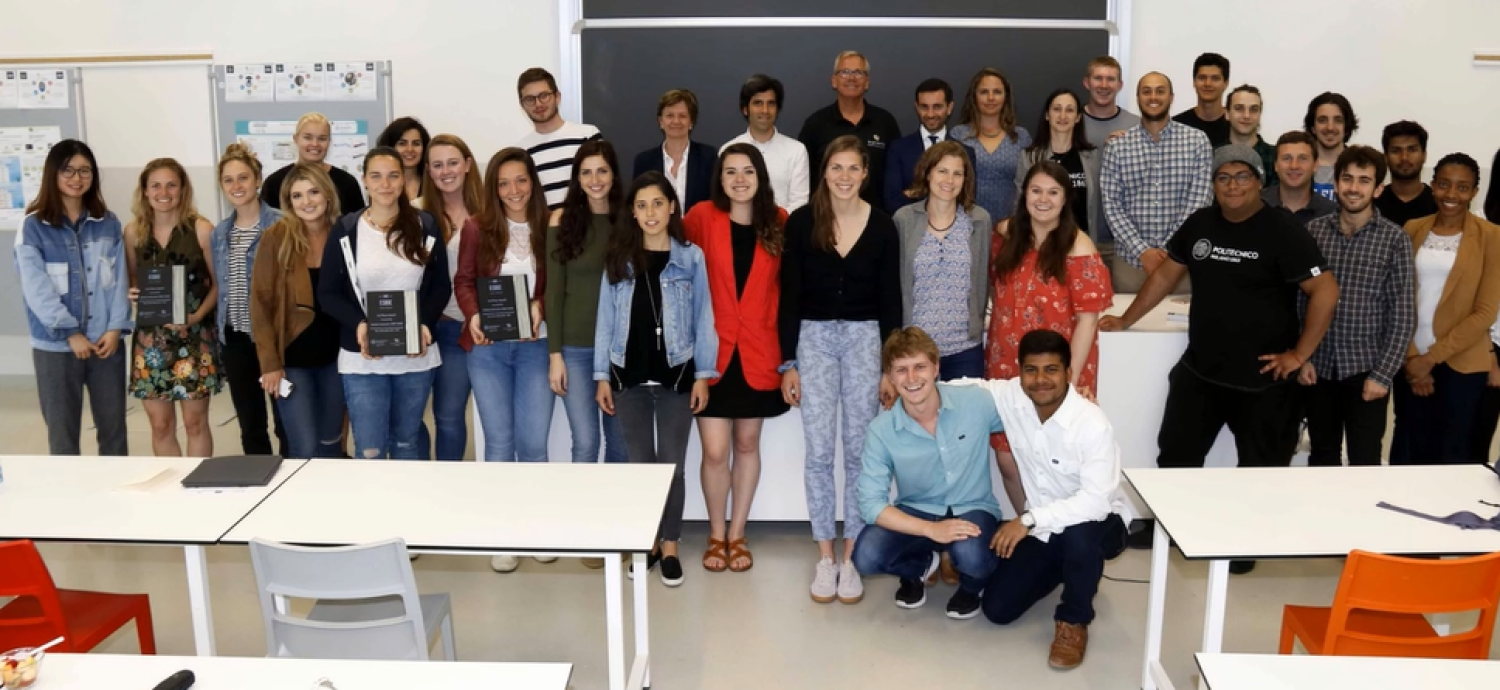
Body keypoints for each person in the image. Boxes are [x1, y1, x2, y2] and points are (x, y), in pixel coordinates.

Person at [1101, 145, 1338, 573]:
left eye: (1241, 177)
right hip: (1201, 371)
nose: (1232, 185)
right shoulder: (1200, 224)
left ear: (1258, 182)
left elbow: (1325, 291)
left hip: (1263, 379)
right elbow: (1167, 274)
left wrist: (1300, 354)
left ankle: (1241, 539)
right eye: (1223, 178)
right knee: (1174, 455)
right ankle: (1167, 526)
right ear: (1213, 185)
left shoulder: (1282, 229)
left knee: (1259, 468)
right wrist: (1126, 317)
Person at [959, 329, 1130, 671]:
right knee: (997, 610)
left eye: (1051, 370)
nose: (1040, 380)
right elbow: (966, 387)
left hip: (1100, 523)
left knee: (1081, 535)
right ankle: (1064, 567)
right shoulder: (1013, 397)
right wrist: (914, 386)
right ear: (1020, 372)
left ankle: (1074, 619)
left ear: (1069, 373)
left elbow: (1095, 502)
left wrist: (1026, 520)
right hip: (1045, 529)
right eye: (1031, 370)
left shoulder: (1091, 424)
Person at [780, 135, 902, 605]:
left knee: (858, 452)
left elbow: (892, 300)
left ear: (865, 174)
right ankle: (824, 555)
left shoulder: (884, 227)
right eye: (837, 168)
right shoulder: (801, 223)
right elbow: (789, 295)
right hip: (812, 339)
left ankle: (852, 555)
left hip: (865, 340)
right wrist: (788, 362)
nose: (845, 177)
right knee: (817, 452)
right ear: (824, 172)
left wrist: (888, 369)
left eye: (854, 169)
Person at [594, 171, 718, 587]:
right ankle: (645, 542)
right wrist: (601, 376)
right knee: (640, 467)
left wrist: (703, 374)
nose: (650, 212)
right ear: (632, 211)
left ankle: (669, 544)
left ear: (671, 208)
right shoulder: (618, 259)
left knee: (672, 467)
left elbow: (704, 318)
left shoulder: (691, 258)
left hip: (676, 378)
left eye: (658, 204)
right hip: (627, 378)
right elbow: (605, 321)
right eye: (642, 205)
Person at [684, 144, 791, 573]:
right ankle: (714, 533)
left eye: (748, 171)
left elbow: (790, 292)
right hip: (712, 354)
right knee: (714, 451)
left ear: (761, 177)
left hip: (761, 353)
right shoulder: (700, 217)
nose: (740, 179)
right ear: (720, 178)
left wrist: (791, 359)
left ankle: (738, 533)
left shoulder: (779, 221)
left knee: (748, 444)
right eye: (731, 172)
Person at [988, 160, 1113, 526]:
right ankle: (1033, 528)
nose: (1043, 199)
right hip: (1007, 366)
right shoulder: (1005, 234)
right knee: (1009, 457)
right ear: (1024, 194)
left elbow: (1088, 319)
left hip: (1058, 372)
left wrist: (1069, 384)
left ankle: (1059, 534)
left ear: (1065, 199)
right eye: (1036, 190)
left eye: (1053, 192)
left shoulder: (1078, 245)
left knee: (1057, 459)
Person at [850, 327, 1004, 620]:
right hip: (917, 510)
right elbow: (870, 505)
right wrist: (930, 529)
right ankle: (918, 568)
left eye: (920, 366)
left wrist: (1074, 399)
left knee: (974, 557)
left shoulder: (976, 401)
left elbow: (1025, 412)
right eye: (901, 370)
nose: (911, 379)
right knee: (865, 556)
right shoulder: (881, 431)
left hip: (972, 507)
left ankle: (970, 589)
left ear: (936, 367)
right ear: (890, 377)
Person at [454, 149, 554, 572]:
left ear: (532, 182)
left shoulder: (551, 225)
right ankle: (503, 534)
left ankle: (535, 530)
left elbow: (559, 281)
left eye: (521, 180)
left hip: (535, 346)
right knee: (498, 444)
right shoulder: (477, 227)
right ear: (493, 188)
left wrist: (540, 305)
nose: (513, 191)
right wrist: (474, 314)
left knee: (533, 445)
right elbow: (463, 280)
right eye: (504, 183)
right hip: (489, 350)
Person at [317, 147, 450, 460]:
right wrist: (360, 325)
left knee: (406, 443)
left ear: (403, 181)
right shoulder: (346, 230)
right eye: (376, 176)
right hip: (363, 359)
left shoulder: (426, 225)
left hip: (415, 356)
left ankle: (409, 508)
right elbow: (328, 293)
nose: (385, 184)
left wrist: (424, 324)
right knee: (370, 449)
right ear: (364, 180)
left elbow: (440, 286)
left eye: (393, 176)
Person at [1298, 146, 1415, 466]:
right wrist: (1302, 356)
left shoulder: (1395, 239)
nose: (1353, 188)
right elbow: (1299, 301)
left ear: (1378, 189)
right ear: (1335, 184)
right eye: (1347, 179)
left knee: (1365, 459)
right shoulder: (1314, 232)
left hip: (1367, 370)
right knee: (1322, 455)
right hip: (1318, 368)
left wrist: (1383, 374)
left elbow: (1403, 314)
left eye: (1364, 181)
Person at [16, 139, 130, 456]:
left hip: (106, 345)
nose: (76, 178)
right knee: (63, 437)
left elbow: (119, 280)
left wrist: (115, 327)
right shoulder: (33, 226)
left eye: (85, 171)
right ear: (53, 173)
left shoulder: (107, 223)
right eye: (68, 170)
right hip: (56, 347)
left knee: (114, 434)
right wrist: (71, 332)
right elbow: (36, 288)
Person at [1391, 153, 1500, 466]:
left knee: (1452, 455)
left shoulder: (1492, 237)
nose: (1452, 194)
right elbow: (1398, 298)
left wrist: (1431, 359)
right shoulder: (1412, 228)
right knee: (1408, 449)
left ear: (1474, 192)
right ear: (1432, 186)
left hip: (1462, 363)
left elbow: (1485, 312)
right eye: (1444, 185)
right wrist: (1414, 357)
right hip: (1410, 360)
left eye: (1462, 188)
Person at [125, 158, 222, 457]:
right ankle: (173, 494)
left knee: (195, 424)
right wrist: (132, 293)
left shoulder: (202, 230)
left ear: (183, 190)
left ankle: (197, 486)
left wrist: (196, 316)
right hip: (149, 342)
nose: (163, 192)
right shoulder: (133, 233)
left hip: (194, 338)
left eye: (171, 184)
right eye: (155, 185)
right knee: (160, 426)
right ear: (144, 191)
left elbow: (219, 285)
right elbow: (132, 280)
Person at [250, 163, 347, 461]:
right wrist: (269, 364)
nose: (307, 201)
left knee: (331, 443)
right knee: (303, 448)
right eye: (297, 196)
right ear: (288, 202)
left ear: (327, 195)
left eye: (313, 191)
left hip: (339, 359)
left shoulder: (346, 232)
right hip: (292, 362)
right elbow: (260, 304)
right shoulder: (275, 237)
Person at [546, 140, 629, 470]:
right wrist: (555, 356)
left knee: (620, 442)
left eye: (603, 171)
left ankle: (617, 519)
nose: (596, 179)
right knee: (586, 442)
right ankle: (581, 519)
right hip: (576, 349)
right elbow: (554, 292)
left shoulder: (629, 221)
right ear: (577, 178)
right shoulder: (561, 220)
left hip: (618, 351)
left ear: (613, 175)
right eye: (587, 172)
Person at [1099, 72, 1212, 293]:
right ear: (1138, 97)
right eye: (1146, 91)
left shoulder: (1197, 141)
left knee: (1179, 326)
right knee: (1130, 325)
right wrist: (1143, 251)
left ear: (1171, 97)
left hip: (1180, 261)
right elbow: (1112, 206)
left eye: (1160, 91)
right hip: (1131, 263)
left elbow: (1199, 202)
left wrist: (1167, 249)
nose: (1153, 97)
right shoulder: (1117, 147)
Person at [211, 142, 286, 456]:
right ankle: (259, 480)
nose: (236, 186)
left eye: (243, 178)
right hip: (237, 339)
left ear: (258, 180)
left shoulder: (281, 224)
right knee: (250, 423)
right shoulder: (220, 233)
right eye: (229, 180)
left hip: (274, 338)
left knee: (286, 421)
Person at [894, 141, 993, 380]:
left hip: (965, 348)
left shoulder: (979, 220)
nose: (949, 180)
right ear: (927, 173)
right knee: (920, 418)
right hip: (916, 349)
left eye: (957, 173)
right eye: (942, 171)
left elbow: (983, 278)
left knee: (966, 417)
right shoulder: (904, 220)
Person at [415, 134, 485, 461]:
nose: (446, 171)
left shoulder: (488, 212)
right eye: (438, 165)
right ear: (428, 171)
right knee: (408, 414)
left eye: (453, 163)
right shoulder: (413, 214)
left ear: (468, 165)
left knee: (448, 415)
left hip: (461, 328)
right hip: (421, 328)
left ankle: (448, 482)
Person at [797, 51, 902, 212]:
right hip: (826, 219)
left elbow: (895, 177)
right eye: (845, 72)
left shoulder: (885, 122)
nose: (851, 78)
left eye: (858, 72)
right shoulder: (815, 124)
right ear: (834, 81)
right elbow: (805, 179)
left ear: (867, 82)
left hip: (876, 219)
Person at [1016, 89, 1102, 257]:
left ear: (1078, 117)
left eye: (1069, 110)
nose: (1063, 116)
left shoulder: (1093, 157)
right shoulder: (1030, 158)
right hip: (1041, 246)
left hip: (1081, 245)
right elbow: (1019, 203)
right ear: (1047, 115)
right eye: (1057, 109)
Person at [950, 68, 1032, 223]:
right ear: (974, 97)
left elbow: (1029, 185)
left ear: (1006, 97)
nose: (991, 98)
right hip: (966, 223)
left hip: (1011, 225)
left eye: (997, 92)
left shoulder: (1021, 137)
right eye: (984, 92)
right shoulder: (958, 136)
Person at [721, 74, 810, 213]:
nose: (765, 110)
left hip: (783, 231)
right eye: (758, 103)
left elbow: (799, 203)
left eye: (771, 103)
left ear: (778, 110)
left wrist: (774, 226)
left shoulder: (796, 150)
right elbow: (724, 199)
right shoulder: (728, 150)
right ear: (745, 109)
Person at [515, 67, 602, 208]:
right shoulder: (521, 152)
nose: (538, 104)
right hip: (546, 228)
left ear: (557, 97)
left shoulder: (588, 135)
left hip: (587, 226)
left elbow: (604, 185)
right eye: (530, 99)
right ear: (522, 105)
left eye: (544, 95)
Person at [260, 112, 366, 216]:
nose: (315, 144)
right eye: (308, 137)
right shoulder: (274, 183)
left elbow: (358, 225)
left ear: (329, 142)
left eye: (322, 138)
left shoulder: (347, 183)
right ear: (296, 139)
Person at [884, 78, 959, 213]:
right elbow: (892, 201)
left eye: (937, 107)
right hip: (909, 230)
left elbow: (965, 200)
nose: (930, 114)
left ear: (949, 108)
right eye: (924, 107)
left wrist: (914, 192)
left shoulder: (964, 152)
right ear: (917, 107)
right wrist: (943, 194)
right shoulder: (898, 149)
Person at [632, 89, 715, 210]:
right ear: (661, 121)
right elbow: (638, 204)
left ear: (691, 122)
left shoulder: (709, 157)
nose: (676, 121)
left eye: (682, 116)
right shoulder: (644, 161)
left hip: (698, 228)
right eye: (670, 115)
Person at [1473, 156, 1500, 462]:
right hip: (1489, 346)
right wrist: (1490, 356)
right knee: (1478, 436)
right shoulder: (1482, 224)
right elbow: (1478, 296)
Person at [1261, 131, 1338, 225]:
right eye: (1287, 158)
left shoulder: (1331, 213)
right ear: (1276, 165)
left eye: (1302, 158)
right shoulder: (1255, 206)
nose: (1294, 166)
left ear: (1315, 165)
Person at [1375, 121, 1438, 227]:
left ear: (1424, 155)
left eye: (1412, 150)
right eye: (1396, 151)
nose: (1404, 157)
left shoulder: (1439, 204)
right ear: (1385, 157)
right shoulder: (1372, 203)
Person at [1304, 92, 1358, 202]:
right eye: (1322, 120)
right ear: (1313, 127)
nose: (1330, 127)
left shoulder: (1361, 165)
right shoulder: (1299, 165)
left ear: (1346, 127)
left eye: (1338, 120)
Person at [1172, 53, 1231, 148]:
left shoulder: (1235, 125)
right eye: (1202, 78)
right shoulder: (1176, 126)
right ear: (1194, 82)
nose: (1208, 83)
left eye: (1215, 78)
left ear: (1226, 84)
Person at [1081, 56, 1140, 147]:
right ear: (1086, 83)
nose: (1104, 85)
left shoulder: (1135, 125)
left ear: (1120, 85)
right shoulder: (1070, 122)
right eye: (1098, 78)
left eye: (1110, 79)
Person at [1225, 85, 1275, 186]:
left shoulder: (1276, 156)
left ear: (1260, 115)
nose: (1246, 115)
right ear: (1227, 114)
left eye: (1253, 109)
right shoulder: (1212, 155)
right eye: (1239, 108)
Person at [376, 116, 431, 202]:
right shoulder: (381, 185)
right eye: (402, 144)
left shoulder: (433, 183)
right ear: (390, 147)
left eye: (416, 144)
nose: (410, 149)